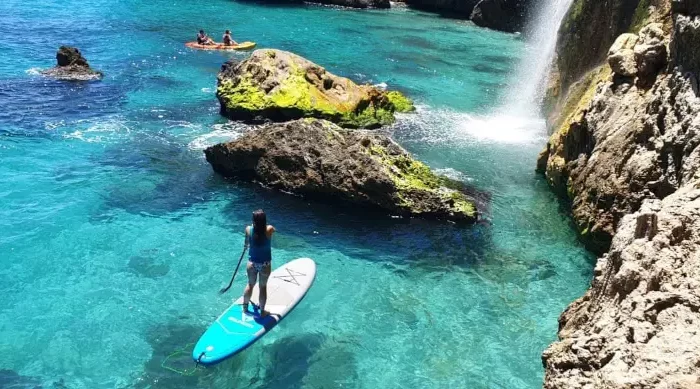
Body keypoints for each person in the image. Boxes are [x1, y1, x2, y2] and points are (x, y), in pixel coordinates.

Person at [242, 209, 275, 317]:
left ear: (254, 221)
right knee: (262, 287)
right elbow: (273, 229)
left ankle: (245, 308)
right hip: (265, 264)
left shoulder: (248, 229)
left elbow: (246, 244)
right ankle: (262, 311)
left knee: (250, 284)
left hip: (252, 263)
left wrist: (246, 245)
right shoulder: (269, 229)